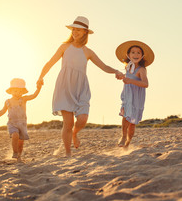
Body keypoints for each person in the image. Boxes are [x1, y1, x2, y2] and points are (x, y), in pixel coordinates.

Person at [36, 16, 123, 157]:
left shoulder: (87, 52)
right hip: (64, 88)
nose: (75, 32)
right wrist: (40, 77)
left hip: (81, 88)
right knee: (68, 123)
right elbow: (50, 63)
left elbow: (104, 66)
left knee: (82, 119)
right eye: (73, 29)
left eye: (78, 30)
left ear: (85, 32)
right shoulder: (64, 47)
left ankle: (75, 134)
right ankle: (68, 153)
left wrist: (116, 71)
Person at [0, 78, 42, 161]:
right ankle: (15, 152)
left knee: (21, 143)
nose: (18, 93)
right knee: (15, 135)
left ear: (23, 92)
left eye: (20, 91)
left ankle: (19, 157)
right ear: (11, 91)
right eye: (16, 91)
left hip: (22, 124)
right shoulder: (8, 102)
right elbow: (2, 111)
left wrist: (38, 88)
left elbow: (34, 95)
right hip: (12, 123)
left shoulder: (24, 99)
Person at [116, 40, 155, 148]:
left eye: (138, 53)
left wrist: (131, 81)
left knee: (132, 123)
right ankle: (123, 137)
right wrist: (122, 77)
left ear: (142, 56)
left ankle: (127, 144)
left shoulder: (141, 69)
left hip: (137, 98)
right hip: (128, 96)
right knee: (125, 116)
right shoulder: (128, 67)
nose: (135, 54)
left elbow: (145, 84)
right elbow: (128, 77)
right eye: (133, 52)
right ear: (128, 55)